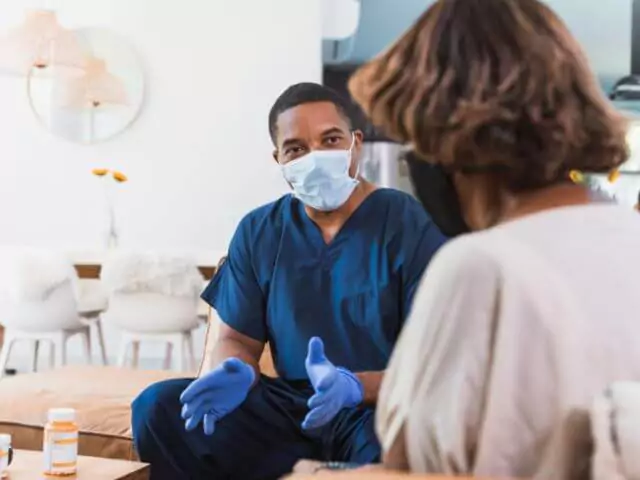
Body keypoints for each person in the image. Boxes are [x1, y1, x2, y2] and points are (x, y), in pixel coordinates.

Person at [348, 0, 640, 478]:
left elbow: (411, 466)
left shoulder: (481, 268)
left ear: (447, 141)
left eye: (416, 140)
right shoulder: (631, 237)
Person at [130, 82, 446, 480]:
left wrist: (354, 386)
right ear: (278, 158)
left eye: (330, 140)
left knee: (399, 442)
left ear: (356, 144)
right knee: (157, 407)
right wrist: (235, 370)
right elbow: (238, 340)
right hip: (291, 408)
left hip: (373, 410)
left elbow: (437, 360)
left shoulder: (406, 223)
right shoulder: (259, 230)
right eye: (296, 148)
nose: (315, 157)